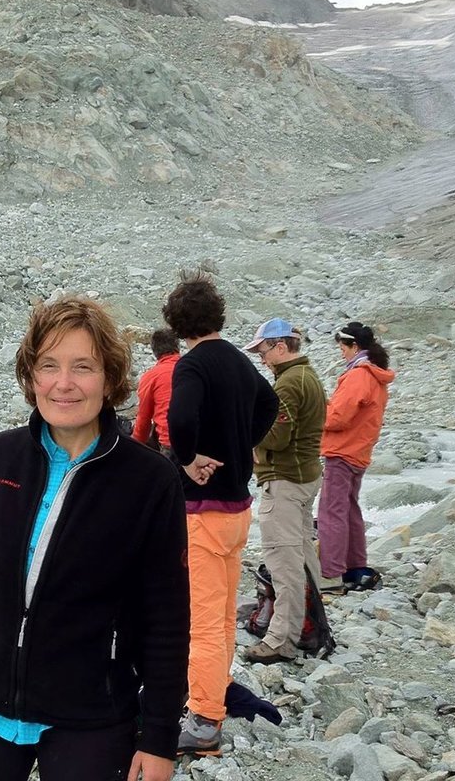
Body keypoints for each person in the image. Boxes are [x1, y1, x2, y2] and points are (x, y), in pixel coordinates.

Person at [0, 296, 189, 781]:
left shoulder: (149, 480)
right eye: (49, 365)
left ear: (109, 378)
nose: (64, 383)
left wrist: (159, 737)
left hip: (93, 713)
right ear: (30, 375)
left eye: (83, 366)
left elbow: (166, 616)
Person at [162, 274, 278, 755]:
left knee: (204, 621)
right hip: (238, 507)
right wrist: (240, 443)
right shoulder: (237, 359)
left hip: (203, 510)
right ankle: (215, 692)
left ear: (177, 322)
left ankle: (205, 719)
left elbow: (179, 419)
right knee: (225, 614)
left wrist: (190, 458)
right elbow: (270, 402)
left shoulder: (191, 365)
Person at [242, 319, 326, 664]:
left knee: (284, 563)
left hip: (285, 482)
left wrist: (246, 430)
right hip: (305, 477)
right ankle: (312, 626)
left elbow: (276, 436)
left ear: (280, 347)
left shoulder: (289, 383)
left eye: (263, 351)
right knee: (303, 556)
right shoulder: (307, 376)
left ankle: (281, 640)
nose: (261, 358)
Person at [317, 322, 395, 592]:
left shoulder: (358, 375)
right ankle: (355, 567)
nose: (341, 352)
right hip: (359, 450)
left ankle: (330, 573)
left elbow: (337, 418)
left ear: (354, 346)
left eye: (343, 347)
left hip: (343, 450)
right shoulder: (375, 374)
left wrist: (316, 411)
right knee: (349, 510)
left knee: (331, 512)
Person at [133, 328, 180, 456]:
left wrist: (135, 445)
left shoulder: (151, 376)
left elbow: (144, 419)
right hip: (203, 442)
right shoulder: (193, 368)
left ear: (154, 351)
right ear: (177, 346)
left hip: (170, 443)